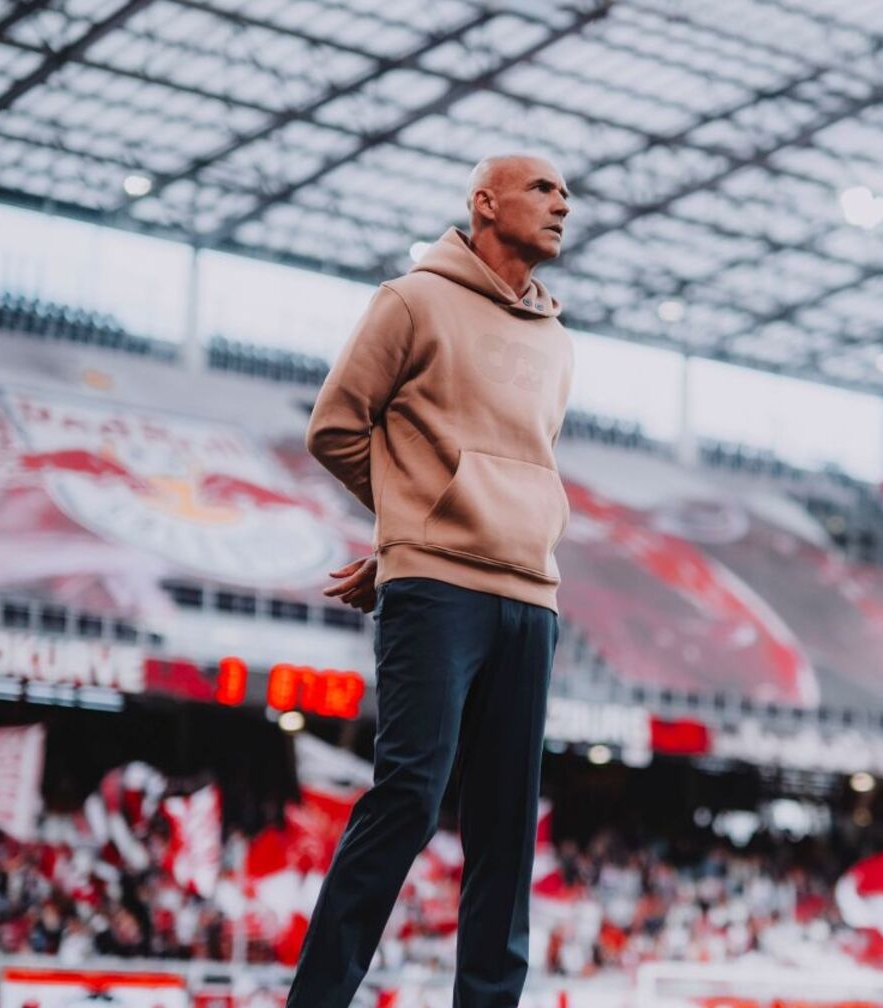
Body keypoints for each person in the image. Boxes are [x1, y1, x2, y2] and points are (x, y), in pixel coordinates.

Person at [289, 153, 576, 1008]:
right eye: (544, 189)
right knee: (409, 798)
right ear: (485, 203)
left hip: (532, 597)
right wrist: (415, 530)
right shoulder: (410, 300)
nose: (564, 203)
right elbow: (335, 428)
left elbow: (519, 467)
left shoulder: (559, 343)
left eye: (566, 193)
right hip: (438, 594)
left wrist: (425, 524)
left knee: (505, 833)